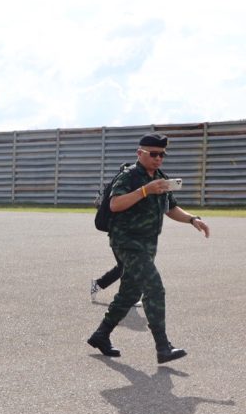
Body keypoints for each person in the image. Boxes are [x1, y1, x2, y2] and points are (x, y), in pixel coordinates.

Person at [87, 133, 210, 363]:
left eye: (162, 155)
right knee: (154, 288)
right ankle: (163, 347)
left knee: (130, 292)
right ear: (140, 153)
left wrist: (193, 219)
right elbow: (115, 204)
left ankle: (101, 335)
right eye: (153, 154)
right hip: (126, 242)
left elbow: (170, 208)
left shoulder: (161, 178)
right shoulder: (129, 176)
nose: (158, 159)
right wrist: (145, 190)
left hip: (147, 245)